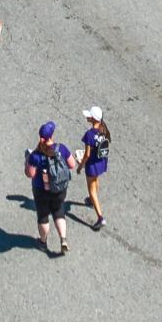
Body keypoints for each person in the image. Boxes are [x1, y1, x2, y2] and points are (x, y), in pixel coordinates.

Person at [26, 121, 76, 256]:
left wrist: (28, 160)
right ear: (52, 135)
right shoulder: (61, 149)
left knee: (43, 217)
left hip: (41, 191)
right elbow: (72, 165)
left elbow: (30, 174)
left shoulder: (36, 155)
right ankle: (63, 239)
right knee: (59, 211)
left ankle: (43, 242)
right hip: (59, 189)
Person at [78, 109, 111, 230]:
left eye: (89, 116)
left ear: (93, 119)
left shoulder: (89, 134)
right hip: (101, 163)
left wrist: (80, 166)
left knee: (91, 189)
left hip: (92, 165)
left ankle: (100, 218)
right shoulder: (104, 130)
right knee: (96, 180)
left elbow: (86, 155)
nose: (88, 117)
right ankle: (92, 201)